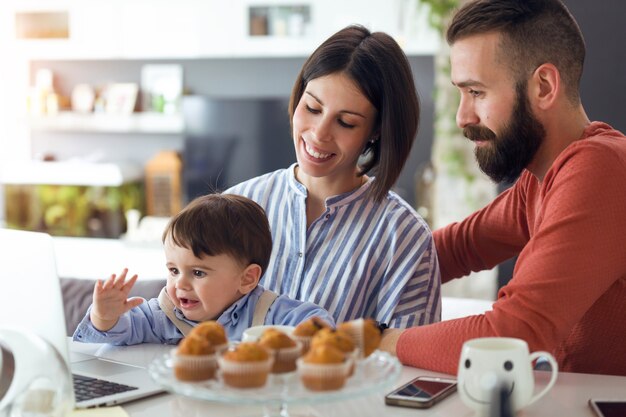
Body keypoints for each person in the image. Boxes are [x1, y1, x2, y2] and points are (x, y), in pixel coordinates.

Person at [380, 0, 626, 377]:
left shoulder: (600, 171)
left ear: (543, 86)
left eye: (476, 92)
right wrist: (354, 261)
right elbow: (457, 248)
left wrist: (379, 341)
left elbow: (513, 336)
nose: (463, 116)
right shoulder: (542, 178)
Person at [226, 25, 441, 328]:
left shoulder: (404, 238)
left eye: (346, 122)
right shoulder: (235, 207)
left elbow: (412, 368)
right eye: (312, 107)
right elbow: (187, 321)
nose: (319, 133)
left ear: (376, 132)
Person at [73, 194, 335, 345]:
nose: (180, 285)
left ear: (247, 279)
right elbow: (112, 338)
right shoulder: (161, 316)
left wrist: (313, 335)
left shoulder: (266, 313)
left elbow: (315, 321)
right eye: (174, 270)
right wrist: (104, 317)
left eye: (198, 273)